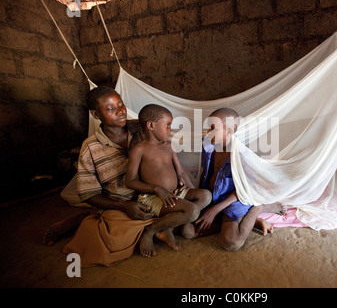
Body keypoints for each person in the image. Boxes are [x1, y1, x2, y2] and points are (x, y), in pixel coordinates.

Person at [59, 87, 176, 266]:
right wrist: (124, 206)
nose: (120, 111)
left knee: (190, 211)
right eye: (110, 108)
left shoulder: (142, 127)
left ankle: (153, 227)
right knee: (112, 241)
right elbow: (88, 194)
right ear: (95, 114)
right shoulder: (90, 147)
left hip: (154, 197)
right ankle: (85, 219)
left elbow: (167, 148)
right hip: (123, 205)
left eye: (121, 105)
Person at [125, 104, 211, 257]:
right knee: (192, 211)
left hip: (175, 194)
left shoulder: (169, 146)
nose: (170, 129)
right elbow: (130, 181)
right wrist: (158, 189)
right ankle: (151, 230)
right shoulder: (139, 150)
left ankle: (168, 227)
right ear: (151, 125)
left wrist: (185, 187)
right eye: (168, 125)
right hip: (154, 198)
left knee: (205, 195)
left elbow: (180, 172)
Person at [195, 108, 287, 251]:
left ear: (230, 132)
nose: (208, 132)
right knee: (188, 231)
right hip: (213, 198)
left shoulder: (241, 155)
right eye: (209, 127)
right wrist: (204, 203)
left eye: (213, 128)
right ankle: (240, 220)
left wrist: (214, 211)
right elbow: (206, 173)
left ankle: (258, 208)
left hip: (233, 201)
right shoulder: (209, 146)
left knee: (231, 242)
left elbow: (246, 188)